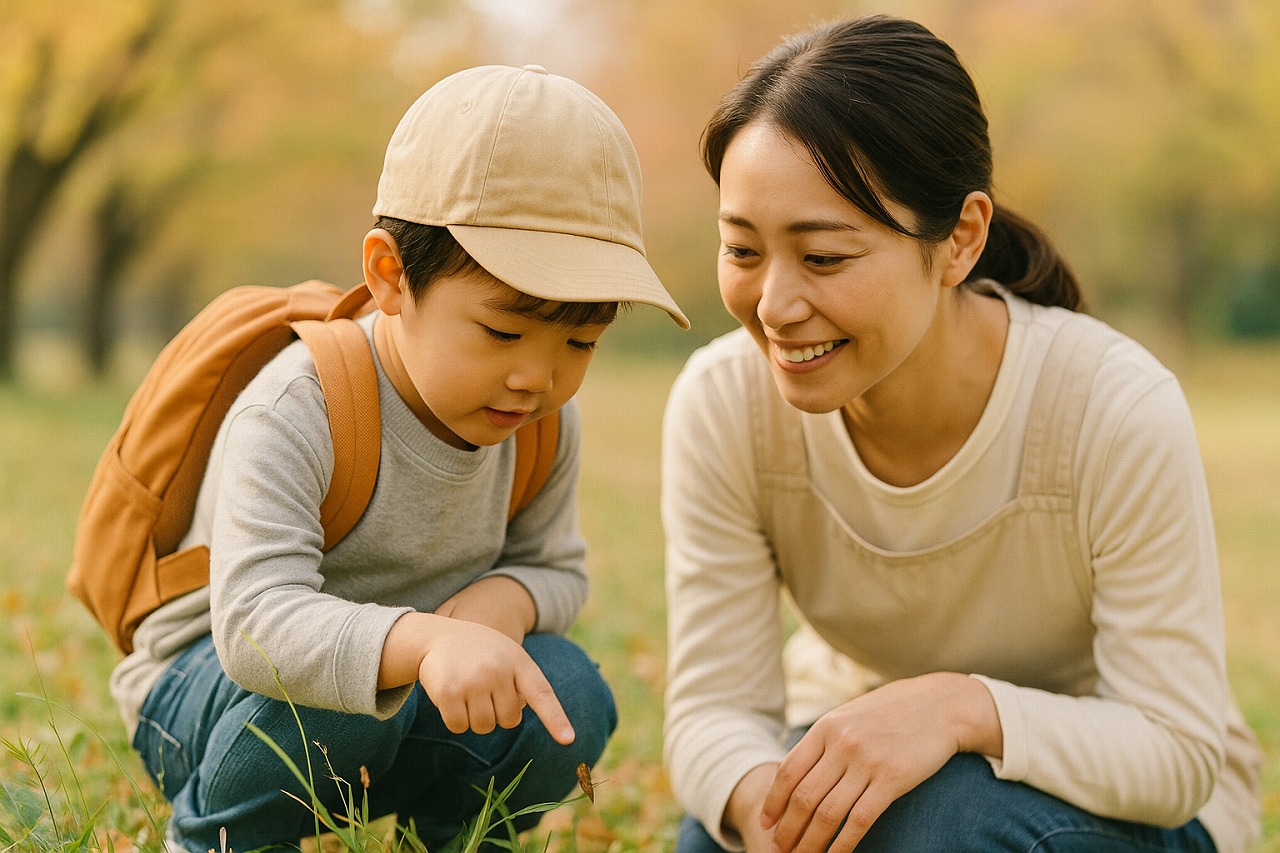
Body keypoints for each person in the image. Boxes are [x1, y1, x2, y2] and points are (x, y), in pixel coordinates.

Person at [661, 15, 1260, 853]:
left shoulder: (1113, 408)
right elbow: (711, 712)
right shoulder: (725, 404)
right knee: (718, 835)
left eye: (824, 257)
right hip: (873, 754)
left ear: (960, 240)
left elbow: (1175, 751)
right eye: (742, 250)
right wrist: (768, 815)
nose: (774, 306)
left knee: (947, 822)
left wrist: (963, 707)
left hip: (1131, 804)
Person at [108, 64, 688, 852]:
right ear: (390, 276)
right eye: (504, 331)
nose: (538, 376)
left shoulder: (542, 422)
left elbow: (557, 568)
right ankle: (220, 836)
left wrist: (504, 603)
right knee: (343, 700)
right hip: (215, 696)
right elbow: (254, 626)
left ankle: (454, 835)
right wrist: (424, 641)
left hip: (403, 700)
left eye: (580, 342)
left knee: (571, 691)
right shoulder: (301, 406)